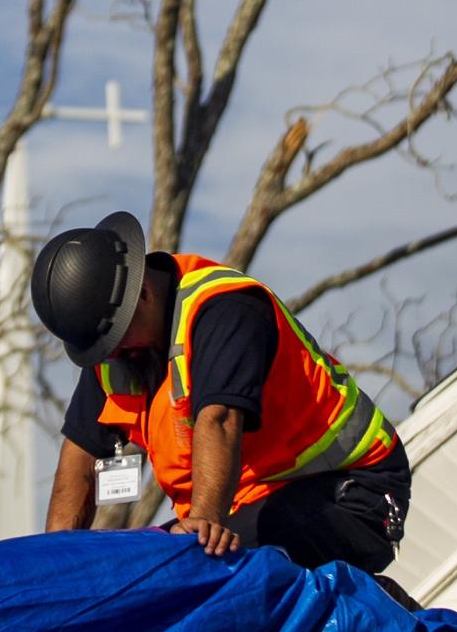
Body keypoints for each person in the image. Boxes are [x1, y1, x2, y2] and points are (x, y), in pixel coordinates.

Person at [30, 209, 410, 573]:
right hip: (245, 506)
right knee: (141, 569)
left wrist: (202, 523)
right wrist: (56, 562)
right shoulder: (114, 347)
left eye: (115, 340)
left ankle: (387, 614)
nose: (112, 354)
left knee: (211, 567)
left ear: (142, 294)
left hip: (353, 491)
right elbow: (79, 453)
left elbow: (220, 420)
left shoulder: (225, 309)